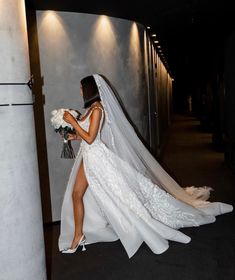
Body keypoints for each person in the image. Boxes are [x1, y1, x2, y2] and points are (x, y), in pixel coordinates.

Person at [58, 74, 233, 258]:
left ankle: (86, 234)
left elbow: (91, 138)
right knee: (77, 194)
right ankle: (79, 235)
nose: (79, 91)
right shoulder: (91, 109)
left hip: (96, 159)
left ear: (89, 90)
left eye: (81, 88)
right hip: (88, 157)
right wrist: (74, 136)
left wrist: (72, 122)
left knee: (117, 195)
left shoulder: (97, 110)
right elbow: (87, 136)